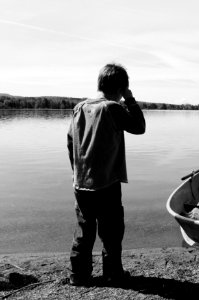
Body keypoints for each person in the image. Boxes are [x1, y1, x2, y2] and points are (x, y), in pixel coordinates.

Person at [67, 63, 146, 286]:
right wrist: (130, 99)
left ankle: (79, 275)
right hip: (106, 183)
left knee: (84, 230)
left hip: (81, 182)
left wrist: (77, 172)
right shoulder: (113, 107)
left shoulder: (79, 108)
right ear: (121, 88)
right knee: (111, 232)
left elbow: (70, 142)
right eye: (124, 91)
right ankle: (112, 274)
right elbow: (140, 126)